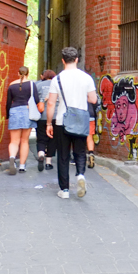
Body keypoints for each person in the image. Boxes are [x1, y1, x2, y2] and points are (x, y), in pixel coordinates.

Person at [45, 47, 97, 199]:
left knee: (63, 155)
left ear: (62, 61)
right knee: (80, 151)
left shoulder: (57, 79)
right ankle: (80, 175)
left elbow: (51, 104)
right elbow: (93, 99)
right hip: (81, 120)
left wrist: (49, 123)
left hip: (62, 121)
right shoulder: (87, 78)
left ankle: (65, 190)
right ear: (76, 60)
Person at [5, 66, 40, 174]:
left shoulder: (11, 85)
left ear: (18, 73)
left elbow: (8, 103)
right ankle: (22, 166)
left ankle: (12, 158)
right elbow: (37, 100)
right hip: (27, 111)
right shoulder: (31, 84)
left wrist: (8, 115)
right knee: (24, 141)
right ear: (28, 74)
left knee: (14, 141)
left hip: (14, 111)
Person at [35, 70, 57, 172]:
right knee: (52, 139)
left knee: (41, 138)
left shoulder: (38, 85)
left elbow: (34, 100)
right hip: (55, 116)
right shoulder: (57, 85)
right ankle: (48, 163)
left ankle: (41, 154)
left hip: (41, 116)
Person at [87, 101, 98, 168]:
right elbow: (95, 103)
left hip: (80, 115)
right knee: (90, 136)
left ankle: (77, 158)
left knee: (79, 137)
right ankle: (91, 153)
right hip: (91, 114)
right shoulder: (91, 90)